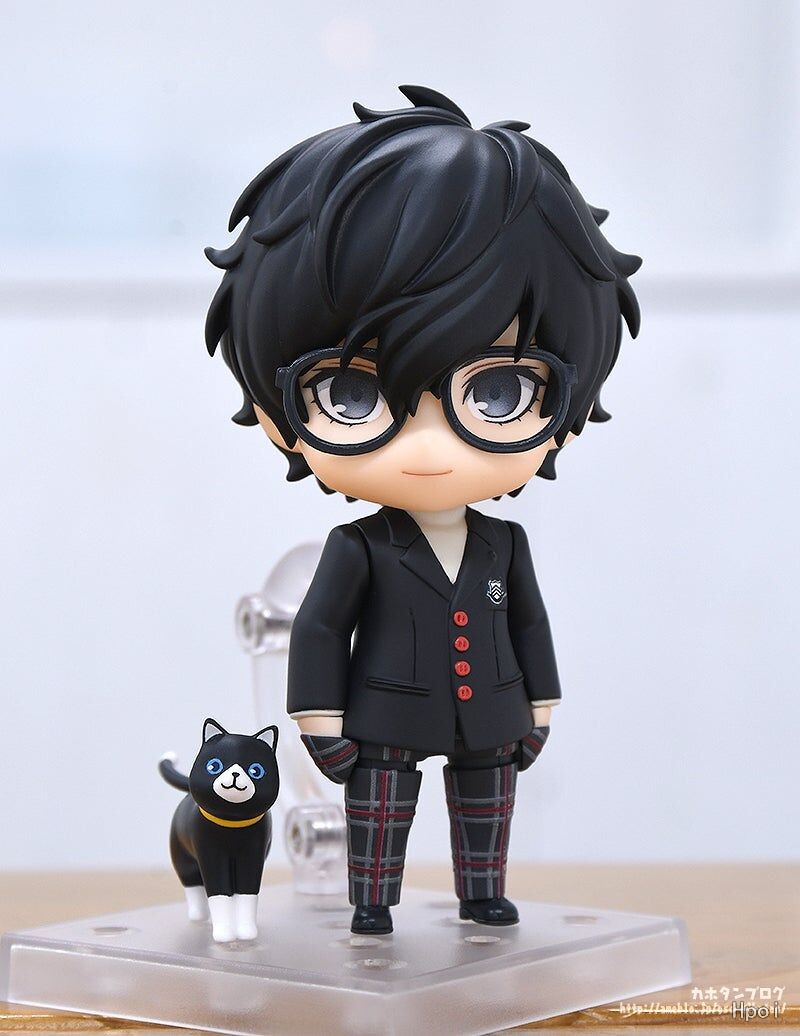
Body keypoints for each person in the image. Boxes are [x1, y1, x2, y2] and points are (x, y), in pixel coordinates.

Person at [205, 85, 641, 934]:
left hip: (494, 716)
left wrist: (541, 706)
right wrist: (320, 723)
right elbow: (321, 630)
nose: (430, 446)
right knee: (382, 818)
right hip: (384, 718)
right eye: (352, 394)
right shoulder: (358, 547)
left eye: (501, 391)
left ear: (571, 408)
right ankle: (373, 901)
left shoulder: (505, 545)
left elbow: (530, 623)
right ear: (275, 413)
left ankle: (482, 892)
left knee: (486, 815)